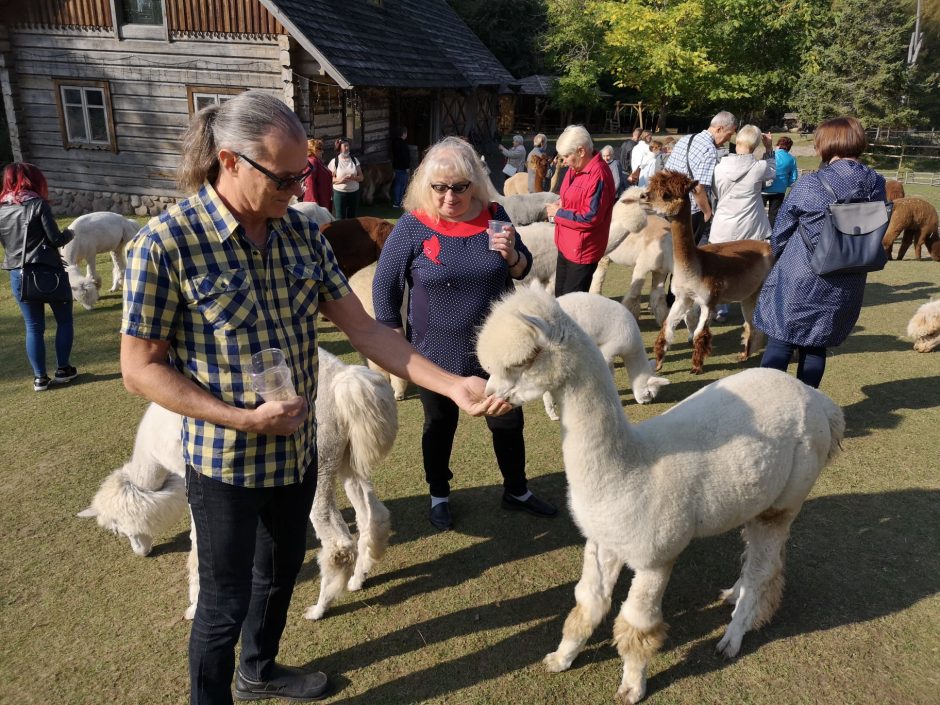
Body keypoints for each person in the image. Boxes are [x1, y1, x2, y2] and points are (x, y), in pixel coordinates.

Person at [120, 92, 510, 705]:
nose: (301, 187)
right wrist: (241, 418)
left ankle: (258, 670)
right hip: (224, 461)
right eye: (285, 176)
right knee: (222, 601)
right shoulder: (165, 244)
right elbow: (140, 370)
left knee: (277, 578)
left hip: (297, 453)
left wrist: (453, 385)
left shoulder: (302, 234)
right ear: (230, 161)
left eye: (304, 172)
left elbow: (368, 331)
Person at [372, 136, 556, 532]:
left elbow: (523, 272)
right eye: (439, 187)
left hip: (498, 352)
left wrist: (513, 255)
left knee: (508, 422)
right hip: (435, 354)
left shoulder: (494, 216)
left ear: (474, 182)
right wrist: (393, 340)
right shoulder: (413, 226)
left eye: (459, 186)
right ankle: (439, 494)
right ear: (426, 185)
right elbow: (384, 287)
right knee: (439, 426)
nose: (449, 196)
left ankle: (517, 490)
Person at [754, 116, 886, 389]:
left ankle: (765, 405)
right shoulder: (877, 184)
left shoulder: (811, 184)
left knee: (781, 340)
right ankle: (808, 406)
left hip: (801, 274)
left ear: (826, 144)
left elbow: (781, 232)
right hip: (848, 277)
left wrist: (776, 257)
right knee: (816, 346)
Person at [0, 162, 77, 392]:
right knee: (64, 320)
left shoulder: (1, 209)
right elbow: (55, 239)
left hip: (18, 273)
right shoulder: (38, 205)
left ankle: (40, 378)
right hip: (48, 271)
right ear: (34, 180)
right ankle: (63, 369)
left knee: (33, 327)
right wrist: (69, 233)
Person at [708, 125, 776, 322]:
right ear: (755, 145)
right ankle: (754, 301)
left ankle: (719, 307)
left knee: (718, 268)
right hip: (750, 224)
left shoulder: (719, 167)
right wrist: (769, 148)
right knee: (754, 266)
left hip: (723, 223)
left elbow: (715, 192)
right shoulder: (758, 167)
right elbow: (772, 172)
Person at [545, 125, 616, 296]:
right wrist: (562, 203)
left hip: (582, 251)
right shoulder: (574, 169)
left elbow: (590, 217)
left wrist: (559, 213)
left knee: (571, 306)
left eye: (567, 156)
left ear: (581, 151)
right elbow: (571, 197)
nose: (565, 161)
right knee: (559, 297)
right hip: (566, 244)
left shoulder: (598, 176)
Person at [665, 111, 738, 244]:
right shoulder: (709, 150)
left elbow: (666, 172)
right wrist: (707, 212)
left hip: (670, 206)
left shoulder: (686, 139)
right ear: (719, 129)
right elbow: (698, 187)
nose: (728, 139)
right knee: (689, 254)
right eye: (729, 134)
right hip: (691, 211)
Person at [762, 136, 799, 227]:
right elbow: (793, 178)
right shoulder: (791, 159)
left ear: (778, 145)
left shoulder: (770, 155)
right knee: (774, 214)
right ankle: (770, 237)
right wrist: (786, 183)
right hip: (780, 190)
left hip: (764, 189)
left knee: (759, 212)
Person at [328, 138, 363, 218]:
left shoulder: (354, 160)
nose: (347, 148)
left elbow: (361, 177)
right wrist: (341, 180)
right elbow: (330, 180)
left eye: (348, 146)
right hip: (339, 193)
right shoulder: (334, 161)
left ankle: (351, 230)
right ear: (340, 147)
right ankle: (339, 231)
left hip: (354, 192)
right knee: (340, 217)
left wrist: (354, 177)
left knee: (352, 218)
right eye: (345, 146)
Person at [300, 137, 332, 211]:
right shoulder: (312, 161)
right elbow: (309, 181)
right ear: (314, 149)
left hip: (322, 198)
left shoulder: (317, 160)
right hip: (316, 201)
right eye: (320, 149)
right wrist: (313, 202)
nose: (322, 151)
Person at [391, 126, 411, 208]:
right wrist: (406, 167)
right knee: (401, 184)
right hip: (402, 167)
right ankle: (397, 202)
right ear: (403, 134)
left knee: (397, 184)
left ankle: (397, 201)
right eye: (406, 133)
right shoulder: (402, 144)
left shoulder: (394, 142)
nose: (406, 135)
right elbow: (404, 156)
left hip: (396, 166)